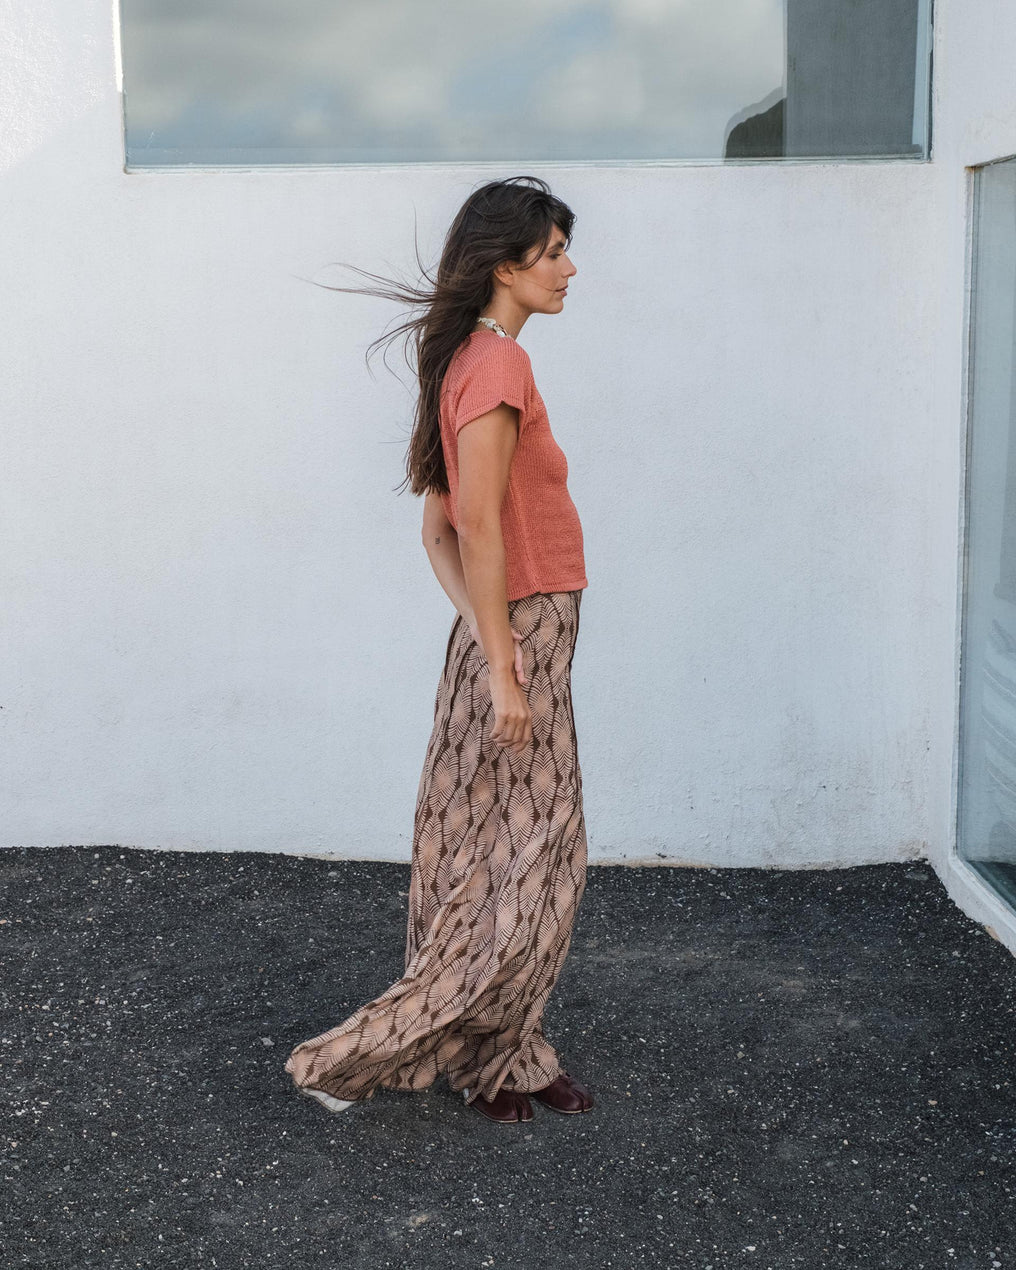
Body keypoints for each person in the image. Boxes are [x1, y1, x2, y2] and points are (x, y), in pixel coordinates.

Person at [283, 176, 593, 1125]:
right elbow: (479, 527)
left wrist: (475, 634)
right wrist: (505, 663)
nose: (569, 269)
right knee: (541, 858)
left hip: (495, 631)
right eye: (550, 254)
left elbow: (435, 535)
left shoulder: (460, 360)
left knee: (472, 852)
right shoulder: (499, 370)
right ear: (505, 267)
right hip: (524, 629)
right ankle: (367, 1055)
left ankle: (502, 1057)